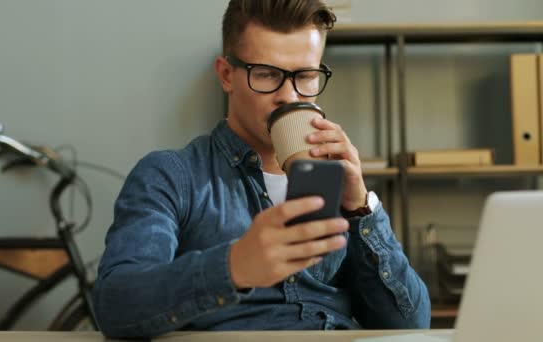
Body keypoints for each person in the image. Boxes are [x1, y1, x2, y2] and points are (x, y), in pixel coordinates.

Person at [93, 0, 430, 338]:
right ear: (227, 75)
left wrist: (360, 209)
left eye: (305, 76)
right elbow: (115, 304)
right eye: (268, 75)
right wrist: (233, 266)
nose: (289, 95)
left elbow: (411, 326)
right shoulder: (172, 175)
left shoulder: (333, 182)